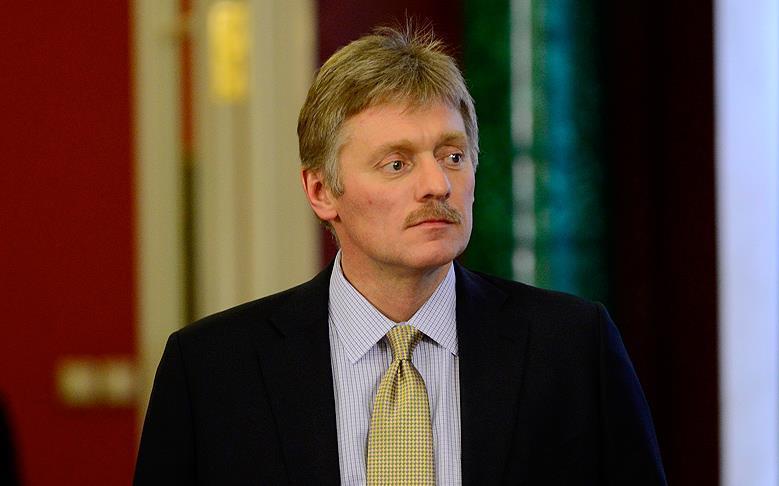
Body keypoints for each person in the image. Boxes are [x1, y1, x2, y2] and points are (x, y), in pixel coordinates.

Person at [134, 25, 666, 485]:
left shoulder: (573, 347)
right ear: (321, 191)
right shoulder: (211, 370)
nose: (438, 184)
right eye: (397, 164)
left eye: (452, 156)